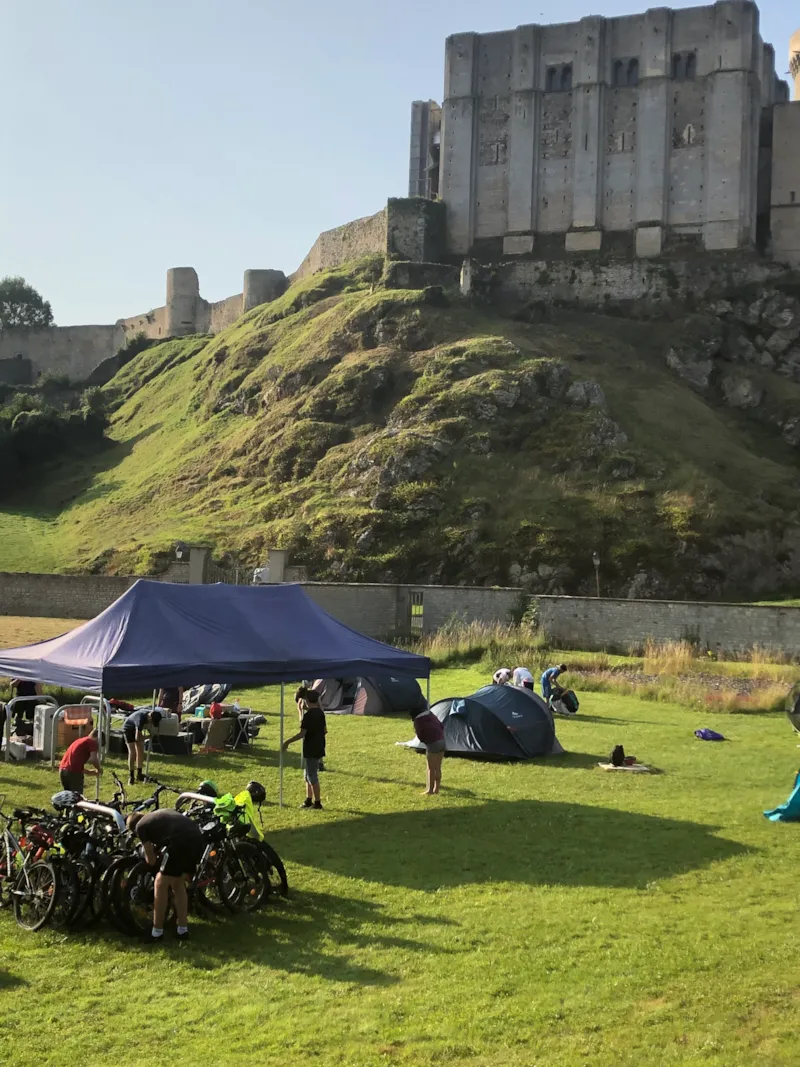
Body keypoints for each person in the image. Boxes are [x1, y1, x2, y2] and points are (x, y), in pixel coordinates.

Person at [126, 809, 205, 942]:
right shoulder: (155, 818)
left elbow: (151, 861)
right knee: (178, 884)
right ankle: (182, 930)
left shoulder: (140, 827)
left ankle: (156, 933)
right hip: (196, 837)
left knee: (160, 883)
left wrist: (148, 856)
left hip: (180, 841)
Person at [283, 690, 327, 810]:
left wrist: (287, 742)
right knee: (307, 775)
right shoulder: (321, 713)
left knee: (312, 776)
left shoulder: (308, 716)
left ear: (306, 701)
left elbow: (302, 733)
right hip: (319, 746)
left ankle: (317, 803)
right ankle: (308, 799)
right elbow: (324, 730)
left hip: (310, 748)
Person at [411, 707, 446, 796]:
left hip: (432, 744)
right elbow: (441, 726)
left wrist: (426, 741)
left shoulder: (418, 721)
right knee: (438, 767)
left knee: (430, 768)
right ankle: (436, 789)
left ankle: (430, 790)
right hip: (442, 742)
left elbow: (420, 735)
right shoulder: (431, 715)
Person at [122, 709, 162, 785]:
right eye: (152, 722)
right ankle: (131, 776)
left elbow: (144, 731)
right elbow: (138, 738)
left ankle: (139, 774)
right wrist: (149, 736)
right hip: (128, 729)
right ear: (150, 718)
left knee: (140, 751)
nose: (151, 723)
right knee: (132, 752)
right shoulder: (140, 719)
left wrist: (151, 734)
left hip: (137, 730)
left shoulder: (149, 715)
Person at [59, 729, 101, 794]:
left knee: (68, 797)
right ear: (97, 738)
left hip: (62, 770)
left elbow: (73, 764)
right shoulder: (92, 742)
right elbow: (93, 759)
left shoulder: (80, 740)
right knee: (77, 797)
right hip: (73, 772)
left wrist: (89, 772)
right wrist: (99, 769)